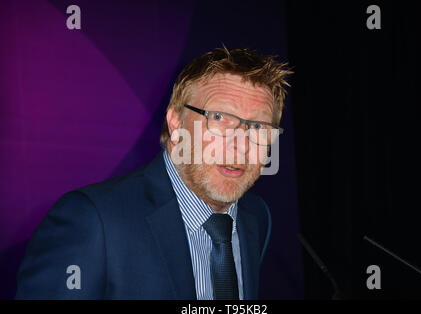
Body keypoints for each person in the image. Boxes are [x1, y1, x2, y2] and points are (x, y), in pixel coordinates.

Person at [15, 47, 292, 299]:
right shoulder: (91, 220)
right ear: (175, 123)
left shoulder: (255, 216)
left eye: (258, 127)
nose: (240, 144)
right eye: (219, 118)